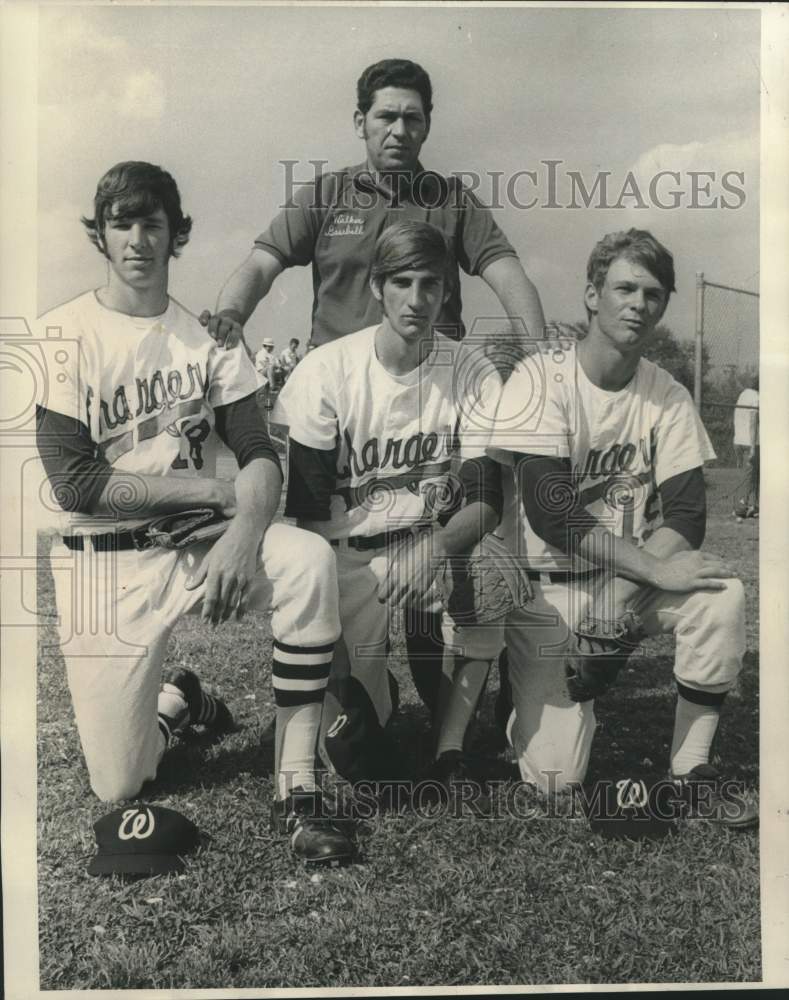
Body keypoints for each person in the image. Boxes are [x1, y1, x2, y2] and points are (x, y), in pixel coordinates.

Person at [200, 56, 547, 719]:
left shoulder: (450, 199)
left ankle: (458, 667)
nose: (398, 129)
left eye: (412, 117)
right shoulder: (328, 195)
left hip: (430, 400)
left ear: (427, 125)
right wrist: (229, 319)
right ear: (360, 121)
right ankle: (350, 671)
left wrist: (536, 357)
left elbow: (506, 271)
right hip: (341, 410)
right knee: (334, 553)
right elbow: (260, 263)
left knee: (453, 533)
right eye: (385, 115)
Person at [35, 161, 352, 864]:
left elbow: (259, 451)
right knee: (119, 783)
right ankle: (181, 703)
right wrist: (218, 496)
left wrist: (245, 531)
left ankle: (296, 781)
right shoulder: (65, 332)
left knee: (306, 559)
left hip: (194, 544)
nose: (139, 239)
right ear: (101, 235)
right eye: (122, 223)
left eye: (154, 223)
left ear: (177, 234)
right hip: (102, 565)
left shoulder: (205, 338)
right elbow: (76, 484)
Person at [489, 228, 757, 828]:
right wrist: (648, 571)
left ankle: (690, 772)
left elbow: (687, 514)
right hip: (545, 587)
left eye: (653, 294)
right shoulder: (540, 378)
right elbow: (551, 514)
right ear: (591, 295)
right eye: (625, 288)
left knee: (721, 596)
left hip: (621, 581)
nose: (639, 303)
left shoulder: (667, 393)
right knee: (558, 777)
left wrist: (618, 598)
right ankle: (518, 702)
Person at [272, 221, 506, 795]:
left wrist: (436, 546)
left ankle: (450, 745)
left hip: (434, 546)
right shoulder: (326, 371)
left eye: (432, 284)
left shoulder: (470, 368)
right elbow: (308, 526)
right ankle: (375, 692)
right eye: (402, 282)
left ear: (447, 290)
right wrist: (342, 682)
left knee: (493, 567)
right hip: (346, 556)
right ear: (377, 287)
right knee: (355, 743)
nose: (418, 299)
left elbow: (488, 500)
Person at [733, 376, 759, 517]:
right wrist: (753, 447)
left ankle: (753, 506)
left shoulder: (742, 395)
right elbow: (752, 422)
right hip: (750, 442)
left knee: (747, 475)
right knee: (749, 477)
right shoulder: (756, 397)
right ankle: (740, 509)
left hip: (738, 440)